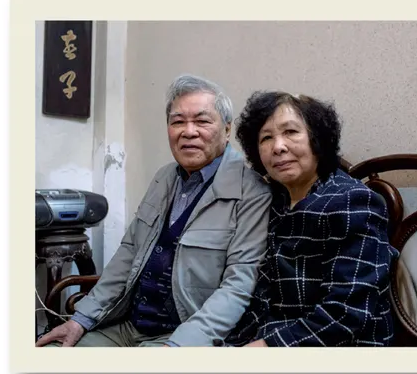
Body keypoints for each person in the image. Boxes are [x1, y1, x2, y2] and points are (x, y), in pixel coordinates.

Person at [36, 75, 271, 347]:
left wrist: (178, 346)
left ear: (227, 129)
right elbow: (128, 253)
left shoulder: (251, 191)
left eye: (202, 121)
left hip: (183, 335)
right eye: (178, 121)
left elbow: (237, 286)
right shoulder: (165, 177)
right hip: (125, 324)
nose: (189, 131)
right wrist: (81, 320)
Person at [225, 91, 396, 347]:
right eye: (266, 138)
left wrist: (265, 348)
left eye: (291, 132)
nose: (278, 147)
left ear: (317, 139)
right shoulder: (269, 200)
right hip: (262, 337)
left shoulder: (353, 201)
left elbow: (346, 313)